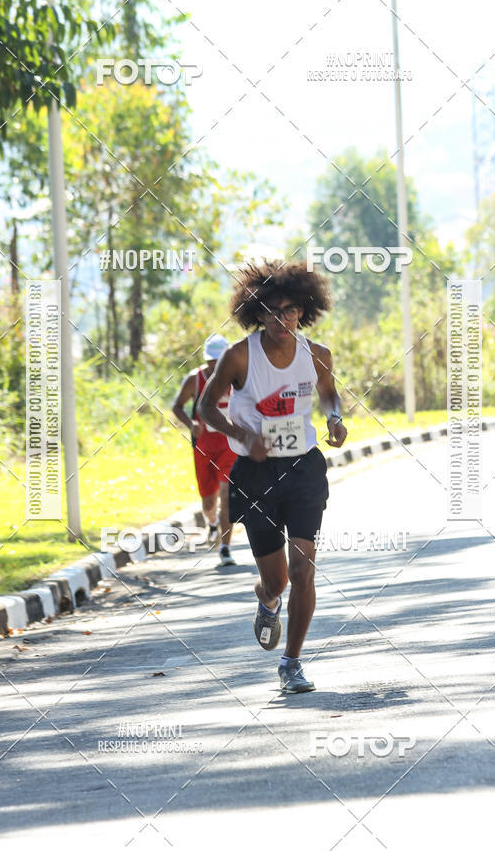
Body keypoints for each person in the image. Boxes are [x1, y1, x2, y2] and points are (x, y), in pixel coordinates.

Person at [198, 261, 347, 692]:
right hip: (256, 473)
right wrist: (240, 432)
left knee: (303, 571)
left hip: (303, 468)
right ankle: (267, 601)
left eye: (291, 310)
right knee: (277, 580)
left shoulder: (317, 354)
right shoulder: (239, 355)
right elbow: (208, 408)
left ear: (304, 310)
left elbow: (328, 393)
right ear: (257, 313)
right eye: (273, 311)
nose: (283, 320)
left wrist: (335, 419)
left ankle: (292, 662)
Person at [172, 333, 237, 566]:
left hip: (229, 446)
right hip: (203, 447)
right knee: (209, 502)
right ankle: (211, 522)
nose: (214, 365)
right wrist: (192, 424)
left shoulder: (237, 377)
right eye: (211, 360)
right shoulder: (194, 379)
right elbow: (177, 406)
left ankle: (226, 547)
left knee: (226, 496)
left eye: (219, 360)